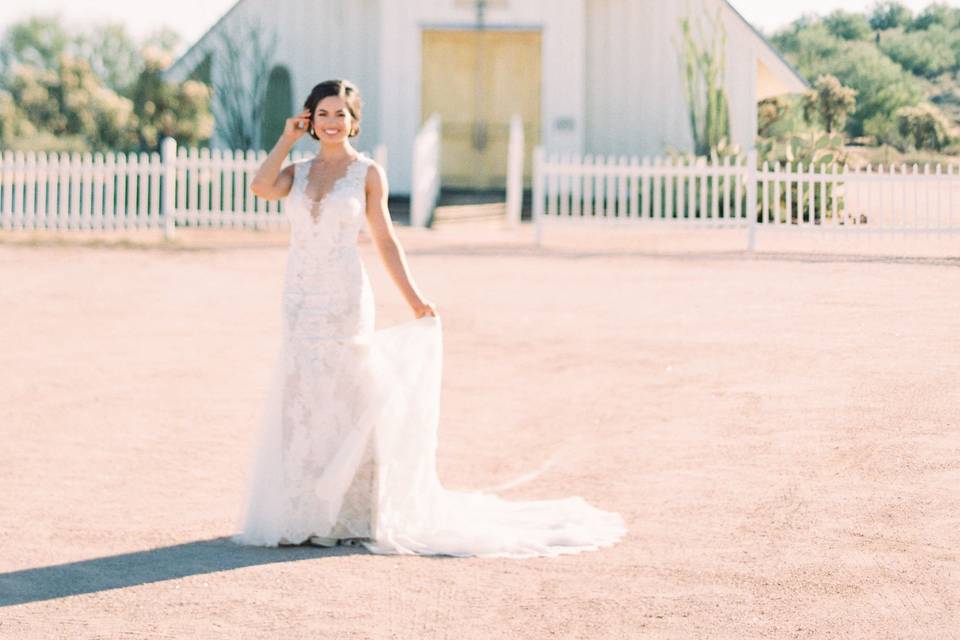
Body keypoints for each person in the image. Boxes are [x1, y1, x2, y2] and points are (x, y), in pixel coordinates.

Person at [231, 79, 626, 558]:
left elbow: (385, 242)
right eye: (322, 114)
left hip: (344, 298)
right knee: (301, 399)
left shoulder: (367, 173)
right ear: (310, 119)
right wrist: (287, 138)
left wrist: (416, 300)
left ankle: (352, 516)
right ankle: (300, 513)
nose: (331, 122)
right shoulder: (296, 169)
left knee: (350, 399)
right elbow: (259, 187)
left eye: (340, 114)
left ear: (355, 121)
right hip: (298, 297)